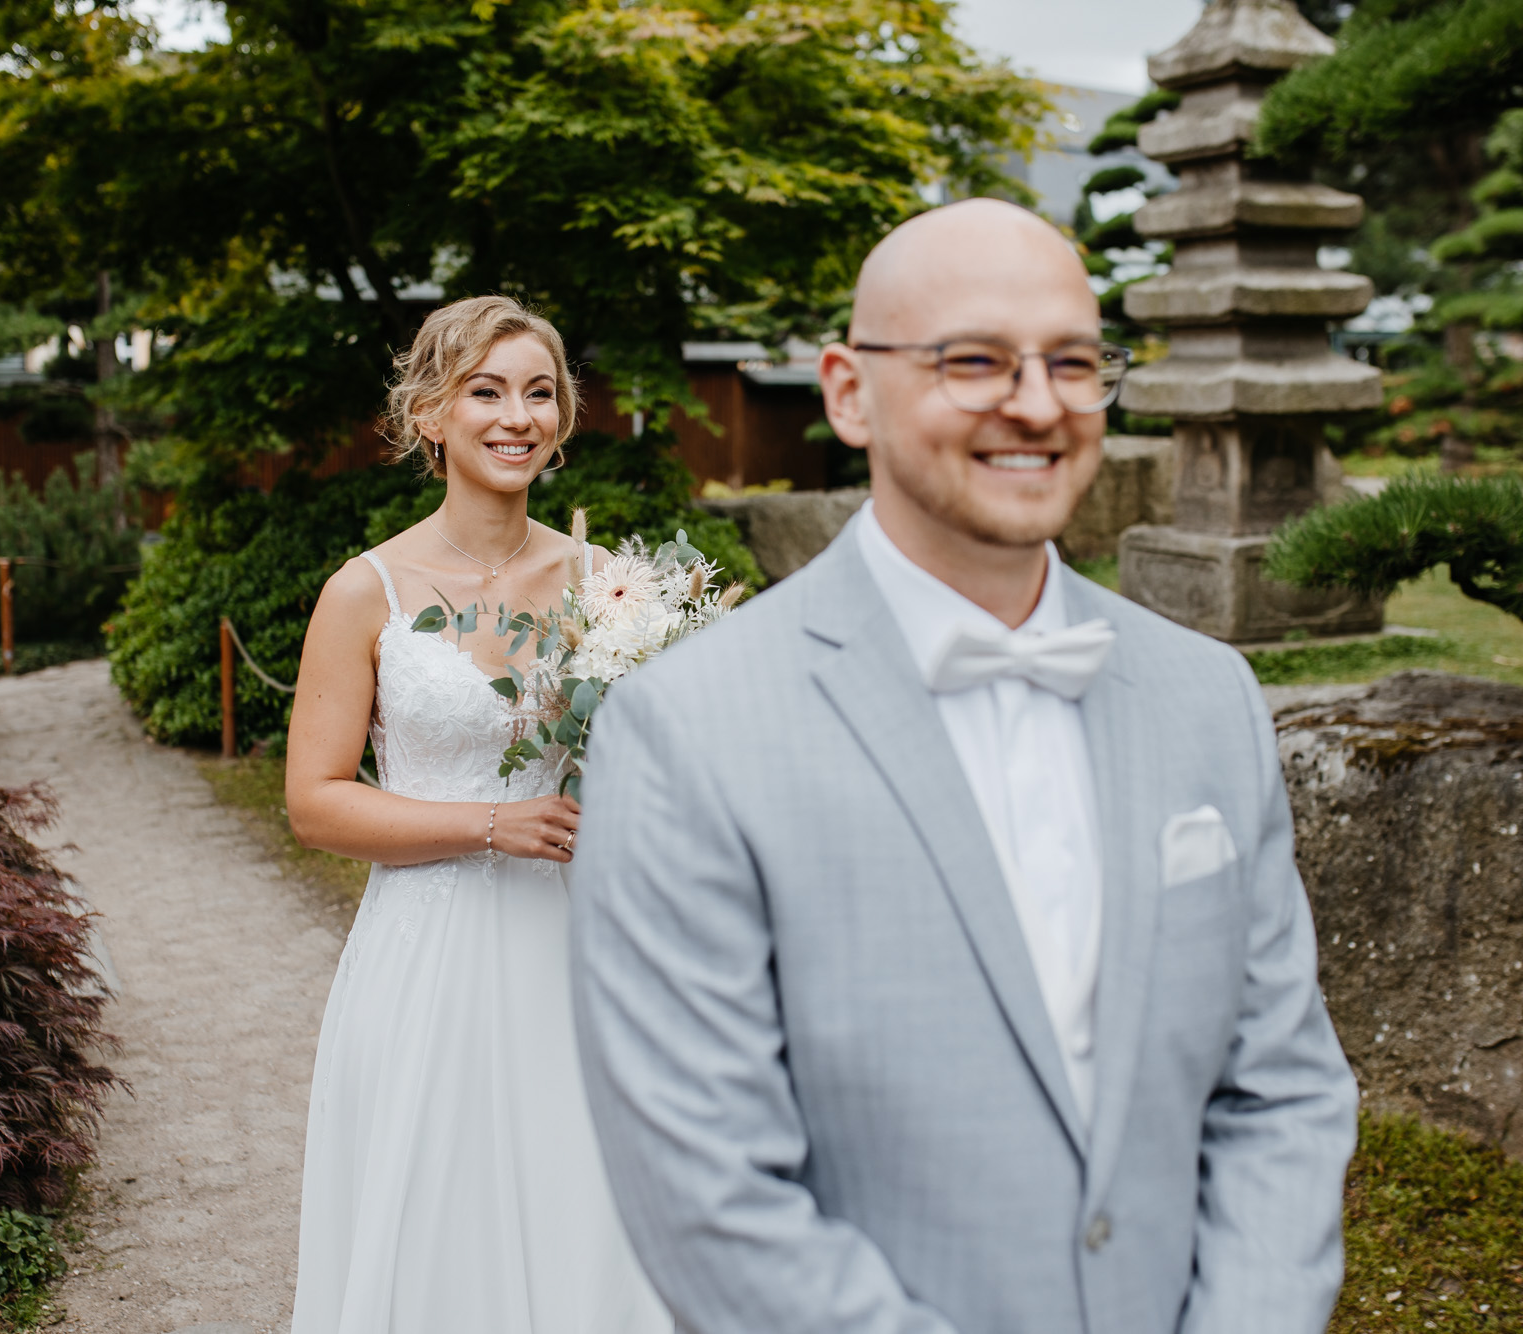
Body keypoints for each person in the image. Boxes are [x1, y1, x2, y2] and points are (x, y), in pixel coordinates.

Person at [570, 199, 1359, 1334]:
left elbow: (1281, 1088)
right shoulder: (685, 729)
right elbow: (710, 1196)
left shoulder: (1211, 697)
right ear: (848, 391)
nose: (1037, 405)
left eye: (1073, 362)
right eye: (974, 360)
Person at [285, 295, 667, 1334]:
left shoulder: (608, 583)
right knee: (435, 1210)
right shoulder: (363, 592)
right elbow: (315, 803)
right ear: (430, 414)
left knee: (579, 1198)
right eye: (486, 391)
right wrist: (490, 826)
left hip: (575, 944)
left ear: (563, 417)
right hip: (428, 950)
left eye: (539, 393)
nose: (517, 416)